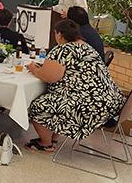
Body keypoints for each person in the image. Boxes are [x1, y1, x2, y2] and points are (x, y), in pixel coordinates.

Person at [26, 20, 125, 152]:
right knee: (58, 101)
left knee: (38, 105)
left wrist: (34, 69)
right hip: (110, 103)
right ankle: (53, 139)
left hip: (90, 107)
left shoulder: (62, 49)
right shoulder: (87, 47)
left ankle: (46, 143)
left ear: (59, 34)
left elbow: (50, 77)